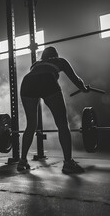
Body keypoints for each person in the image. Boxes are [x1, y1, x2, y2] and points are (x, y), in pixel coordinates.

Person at [17, 46, 88, 174]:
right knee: (62, 124)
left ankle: (22, 161)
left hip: (27, 82)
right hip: (47, 80)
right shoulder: (60, 61)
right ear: (55, 54)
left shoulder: (36, 64)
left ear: (43, 56)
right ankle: (68, 163)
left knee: (31, 125)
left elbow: (36, 77)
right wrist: (83, 88)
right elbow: (75, 79)